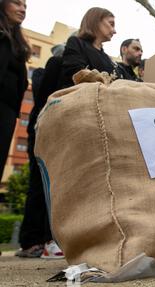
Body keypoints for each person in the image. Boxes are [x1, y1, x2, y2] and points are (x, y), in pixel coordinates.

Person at [16, 44, 65, 259]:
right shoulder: (44, 73)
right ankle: (32, 241)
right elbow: (43, 97)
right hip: (41, 131)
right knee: (39, 186)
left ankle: (39, 240)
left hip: (49, 131)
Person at [0, 0, 30, 183]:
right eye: (17, 3)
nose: (23, 9)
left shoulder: (18, 43)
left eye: (25, 6)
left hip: (7, 112)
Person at [59, 7, 117, 89]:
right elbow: (77, 74)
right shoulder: (76, 43)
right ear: (96, 21)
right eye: (111, 24)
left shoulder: (107, 59)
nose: (114, 31)